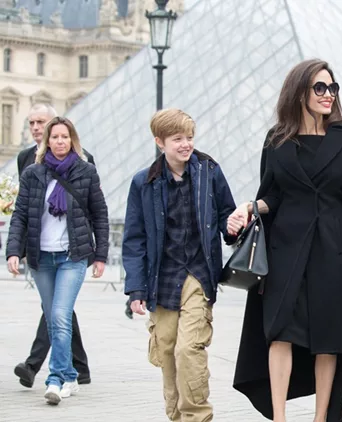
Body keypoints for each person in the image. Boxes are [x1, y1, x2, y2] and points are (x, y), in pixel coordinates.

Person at [230, 59, 342, 422]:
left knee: (329, 337)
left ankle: (320, 417)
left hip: (331, 247)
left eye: (332, 87)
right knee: (280, 331)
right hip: (285, 248)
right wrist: (249, 206)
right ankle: (279, 417)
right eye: (319, 88)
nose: (328, 95)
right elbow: (271, 196)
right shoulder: (276, 139)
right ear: (299, 92)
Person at [123, 108, 237, 421]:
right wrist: (135, 289)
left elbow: (226, 215)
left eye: (189, 137)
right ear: (160, 142)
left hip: (199, 275)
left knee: (189, 349)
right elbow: (134, 239)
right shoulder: (143, 183)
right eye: (177, 139)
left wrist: (233, 224)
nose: (186, 144)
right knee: (168, 352)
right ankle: (175, 416)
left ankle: (197, 416)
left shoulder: (209, 171)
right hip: (162, 278)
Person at [6, 116, 109, 405]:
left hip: (72, 257)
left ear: (72, 139)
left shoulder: (86, 172)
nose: (60, 141)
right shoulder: (33, 174)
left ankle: (55, 379)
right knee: (53, 319)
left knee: (61, 316)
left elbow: (100, 214)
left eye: (65, 137)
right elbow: (21, 216)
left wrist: (100, 255)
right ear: (47, 141)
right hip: (41, 258)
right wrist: (13, 251)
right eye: (55, 137)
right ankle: (71, 374)